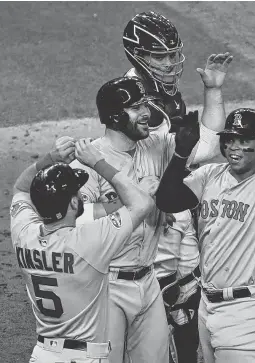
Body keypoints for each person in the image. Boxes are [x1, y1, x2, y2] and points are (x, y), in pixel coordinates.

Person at [71, 50, 231, 363]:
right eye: (136, 107)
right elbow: (73, 222)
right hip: (107, 285)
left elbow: (209, 144)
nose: (146, 113)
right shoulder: (89, 160)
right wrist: (127, 202)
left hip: (148, 283)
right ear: (116, 116)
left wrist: (213, 91)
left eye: (145, 104)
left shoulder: (155, 146)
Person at [156, 59, 255, 363]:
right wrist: (182, 152)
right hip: (207, 307)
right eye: (229, 141)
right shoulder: (210, 175)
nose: (234, 148)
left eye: (244, 141)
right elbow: (167, 201)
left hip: (248, 311)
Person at [123, 11, 233, 363]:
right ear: (137, 54)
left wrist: (212, 92)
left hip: (173, 206)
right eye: (160, 55)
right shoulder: (134, 104)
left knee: (186, 295)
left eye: (173, 54)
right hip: (152, 219)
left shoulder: (161, 95)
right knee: (162, 298)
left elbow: (198, 149)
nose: (170, 63)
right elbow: (200, 149)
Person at [10, 136, 155, 363]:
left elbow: (21, 186)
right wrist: (99, 163)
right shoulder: (90, 241)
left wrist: (50, 159)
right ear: (74, 203)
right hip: (83, 357)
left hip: (42, 355)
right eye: (77, 193)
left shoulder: (23, 233)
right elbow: (142, 204)